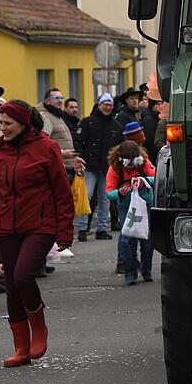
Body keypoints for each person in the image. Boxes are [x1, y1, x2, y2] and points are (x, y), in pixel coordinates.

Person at [0, 101, 74, 367]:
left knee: (22, 276)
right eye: (1, 123)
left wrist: (65, 230)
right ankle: (21, 347)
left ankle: (39, 329)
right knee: (11, 285)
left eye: (8, 123)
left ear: (23, 123)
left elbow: (62, 192)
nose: (3, 128)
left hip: (40, 225)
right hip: (6, 227)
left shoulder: (46, 148)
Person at [106, 141, 155, 285]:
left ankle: (147, 271)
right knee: (128, 239)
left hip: (144, 204)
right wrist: (120, 193)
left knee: (147, 239)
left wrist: (144, 180)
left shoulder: (144, 162)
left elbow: (156, 176)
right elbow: (109, 192)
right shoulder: (114, 168)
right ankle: (130, 273)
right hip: (125, 206)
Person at [76, 94, 122, 241]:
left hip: (108, 167)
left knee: (105, 199)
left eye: (110, 105)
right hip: (89, 166)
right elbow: (79, 141)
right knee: (86, 196)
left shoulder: (116, 125)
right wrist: (80, 158)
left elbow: (119, 147)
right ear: (99, 105)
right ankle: (82, 228)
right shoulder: (88, 122)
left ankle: (101, 229)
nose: (108, 107)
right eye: (105, 104)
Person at [37, 88, 83, 181]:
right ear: (47, 101)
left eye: (61, 98)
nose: (60, 100)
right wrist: (62, 153)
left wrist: (73, 159)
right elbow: (42, 143)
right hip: (56, 168)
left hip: (65, 166)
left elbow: (61, 140)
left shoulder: (56, 115)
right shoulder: (45, 117)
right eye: (56, 98)